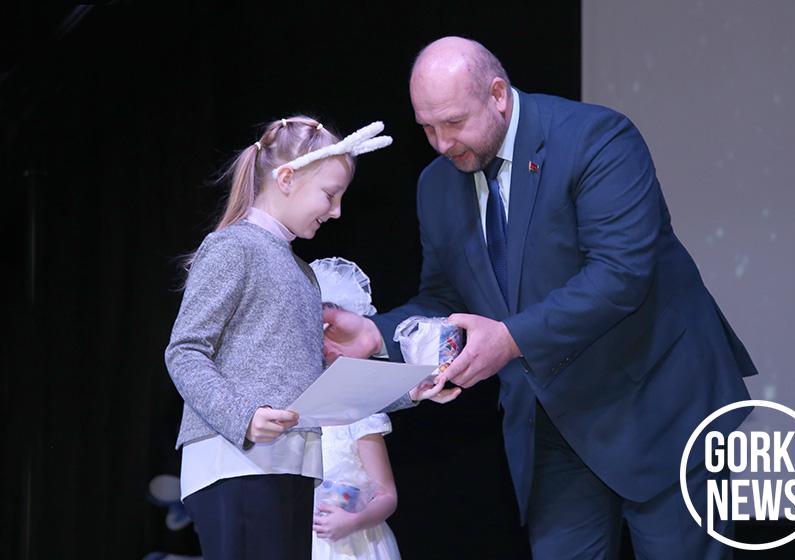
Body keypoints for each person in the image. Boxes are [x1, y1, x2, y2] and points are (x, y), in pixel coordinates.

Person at [322, 37, 758, 559]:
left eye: (454, 122)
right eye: (427, 127)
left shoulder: (596, 138)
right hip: (549, 423)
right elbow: (443, 297)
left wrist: (509, 340)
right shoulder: (436, 186)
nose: (441, 143)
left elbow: (620, 274)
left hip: (660, 406)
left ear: (497, 95)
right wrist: (378, 334)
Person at [164, 116, 453, 560]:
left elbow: (319, 388)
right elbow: (184, 352)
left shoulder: (303, 274)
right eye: (329, 194)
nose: (336, 211)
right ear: (286, 179)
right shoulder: (233, 246)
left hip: (295, 466)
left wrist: (408, 391)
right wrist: (243, 417)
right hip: (234, 462)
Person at [311, 414, 402, 559]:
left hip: (356, 541)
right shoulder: (294, 417)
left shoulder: (360, 418)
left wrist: (355, 521)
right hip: (300, 538)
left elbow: (387, 495)